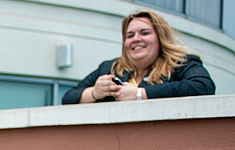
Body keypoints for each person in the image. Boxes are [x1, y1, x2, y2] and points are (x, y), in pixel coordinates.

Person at [62, 9, 215, 104]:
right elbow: (68, 97)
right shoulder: (110, 68)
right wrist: (95, 92)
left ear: (160, 38)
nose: (136, 39)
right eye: (130, 35)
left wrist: (139, 94)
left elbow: (202, 86)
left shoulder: (181, 63)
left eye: (145, 33)